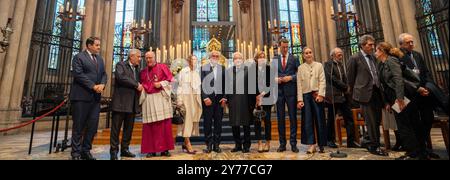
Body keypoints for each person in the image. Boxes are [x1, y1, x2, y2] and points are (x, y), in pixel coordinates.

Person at [398, 33, 448, 159]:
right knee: (415, 123)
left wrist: (427, 86)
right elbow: (401, 78)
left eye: (412, 41)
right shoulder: (398, 56)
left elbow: (425, 72)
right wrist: (417, 89)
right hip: (412, 94)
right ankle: (420, 149)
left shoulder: (417, 55)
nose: (411, 44)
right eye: (408, 42)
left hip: (424, 94)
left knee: (428, 118)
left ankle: (424, 147)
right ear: (401, 44)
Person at [376, 42, 427, 160]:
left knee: (407, 124)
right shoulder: (381, 64)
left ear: (382, 51)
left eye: (377, 50)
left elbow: (398, 79)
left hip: (402, 96)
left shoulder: (391, 60)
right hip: (393, 98)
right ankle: (414, 151)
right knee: (403, 124)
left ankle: (415, 153)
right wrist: (387, 102)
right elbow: (383, 85)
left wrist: (400, 99)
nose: (375, 52)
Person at [347, 35, 388, 156]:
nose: (372, 47)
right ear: (362, 45)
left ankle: (369, 141)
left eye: (373, 44)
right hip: (364, 94)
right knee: (370, 121)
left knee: (376, 120)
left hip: (376, 92)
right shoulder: (354, 58)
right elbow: (350, 79)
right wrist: (356, 93)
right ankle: (374, 146)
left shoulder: (373, 57)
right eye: (370, 45)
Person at [70, 37, 108, 160]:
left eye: (99, 45)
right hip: (81, 97)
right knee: (79, 126)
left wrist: (102, 84)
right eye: (97, 45)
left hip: (95, 99)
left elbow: (104, 74)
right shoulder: (79, 57)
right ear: (89, 45)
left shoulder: (100, 59)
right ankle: (75, 153)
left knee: (92, 126)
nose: (99, 47)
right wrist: (93, 86)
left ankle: (86, 151)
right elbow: (78, 74)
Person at [140, 51, 175, 158]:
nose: (148, 60)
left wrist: (161, 83)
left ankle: (165, 149)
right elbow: (142, 85)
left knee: (164, 125)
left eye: (150, 57)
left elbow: (171, 80)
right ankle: (151, 150)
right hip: (149, 100)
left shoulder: (163, 67)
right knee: (150, 126)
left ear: (155, 57)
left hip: (161, 98)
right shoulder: (143, 71)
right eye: (146, 58)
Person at [110, 49, 143, 160]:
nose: (140, 59)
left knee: (128, 129)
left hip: (132, 104)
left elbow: (141, 83)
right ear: (131, 56)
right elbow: (121, 77)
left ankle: (125, 149)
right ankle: (114, 151)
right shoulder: (121, 65)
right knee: (116, 129)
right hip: (120, 103)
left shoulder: (137, 69)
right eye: (138, 56)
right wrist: (136, 84)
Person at [324, 48, 357, 148]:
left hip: (344, 96)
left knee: (349, 118)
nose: (341, 56)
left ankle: (351, 142)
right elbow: (332, 79)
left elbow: (344, 78)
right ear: (333, 55)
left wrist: (348, 87)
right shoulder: (328, 64)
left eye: (341, 54)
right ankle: (330, 140)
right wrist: (345, 86)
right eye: (339, 55)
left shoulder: (341, 65)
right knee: (331, 119)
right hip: (333, 96)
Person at [296, 47, 327, 154]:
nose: (308, 54)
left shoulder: (319, 65)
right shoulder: (300, 68)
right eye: (306, 53)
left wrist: (321, 94)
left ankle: (321, 144)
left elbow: (322, 81)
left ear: (312, 54)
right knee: (308, 121)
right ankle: (311, 145)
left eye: (310, 52)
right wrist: (300, 100)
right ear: (303, 56)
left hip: (316, 94)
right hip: (305, 96)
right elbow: (299, 85)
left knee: (320, 119)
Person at [225, 52, 256, 153]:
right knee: (235, 124)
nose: (237, 60)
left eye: (239, 58)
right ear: (233, 60)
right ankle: (238, 144)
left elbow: (252, 87)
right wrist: (226, 99)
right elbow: (226, 86)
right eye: (235, 58)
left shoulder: (248, 70)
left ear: (242, 59)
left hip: (245, 100)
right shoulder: (229, 71)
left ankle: (246, 145)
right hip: (233, 100)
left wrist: (252, 103)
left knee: (246, 124)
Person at [275, 39, 301, 153]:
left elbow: (299, 74)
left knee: (292, 118)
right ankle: (282, 144)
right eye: (283, 47)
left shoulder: (294, 58)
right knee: (280, 118)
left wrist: (291, 78)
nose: (285, 49)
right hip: (279, 92)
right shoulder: (275, 59)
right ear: (279, 47)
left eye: (287, 47)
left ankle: (293, 143)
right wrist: (275, 79)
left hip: (291, 92)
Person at [201, 51, 227, 153]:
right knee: (207, 123)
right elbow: (201, 84)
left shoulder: (222, 68)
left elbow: (227, 84)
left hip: (219, 100)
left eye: (217, 56)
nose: (215, 57)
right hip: (208, 100)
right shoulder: (204, 68)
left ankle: (216, 145)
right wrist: (205, 97)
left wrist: (225, 98)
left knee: (218, 123)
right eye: (213, 56)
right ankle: (209, 144)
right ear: (210, 57)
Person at [176, 55, 202, 154]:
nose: (195, 62)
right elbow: (180, 86)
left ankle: (185, 141)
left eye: (196, 60)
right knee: (187, 120)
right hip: (186, 98)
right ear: (189, 61)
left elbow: (198, 87)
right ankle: (187, 143)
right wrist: (179, 100)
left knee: (193, 120)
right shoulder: (183, 71)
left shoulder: (196, 72)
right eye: (193, 60)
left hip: (195, 99)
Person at [252, 51, 277, 153]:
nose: (262, 59)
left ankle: (267, 142)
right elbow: (250, 84)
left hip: (266, 98)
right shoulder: (252, 70)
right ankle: (259, 143)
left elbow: (270, 84)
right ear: (256, 59)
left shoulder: (269, 69)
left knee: (267, 121)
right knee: (257, 122)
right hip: (256, 99)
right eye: (260, 57)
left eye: (263, 57)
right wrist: (257, 96)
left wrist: (262, 94)